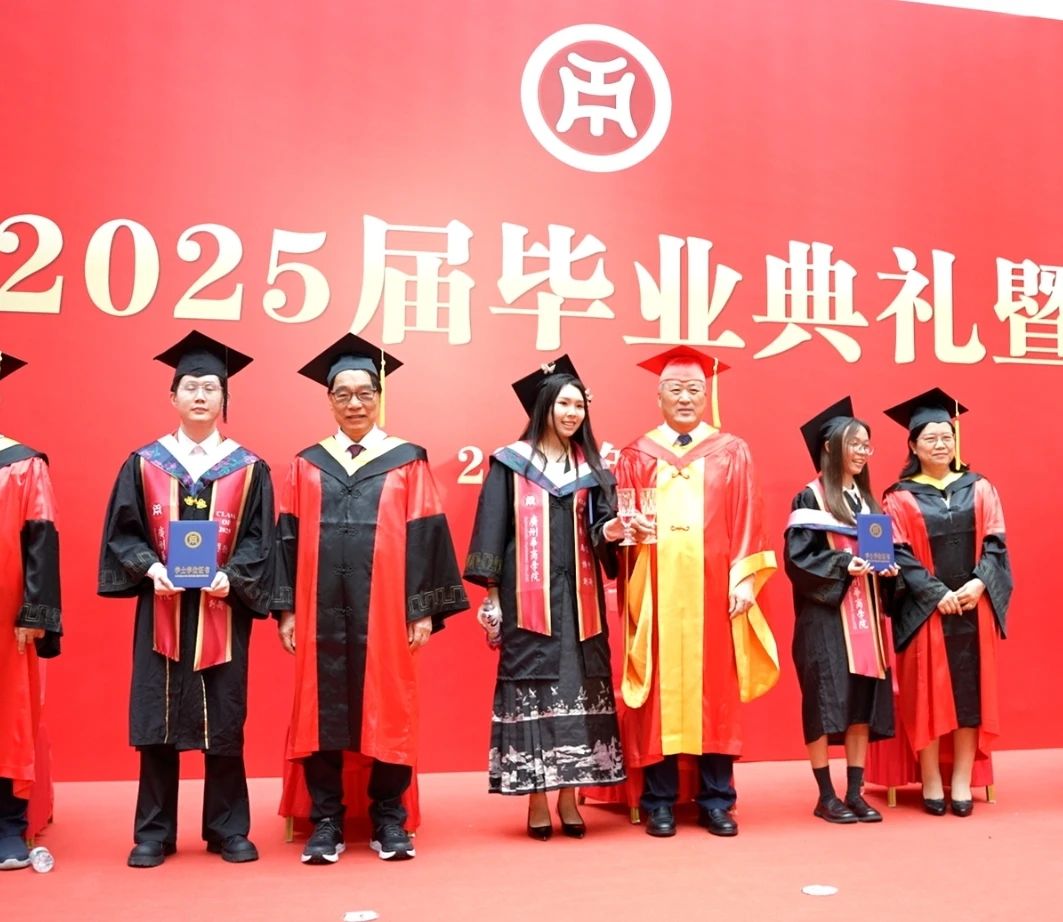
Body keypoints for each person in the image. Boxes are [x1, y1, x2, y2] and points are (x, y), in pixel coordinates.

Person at [273, 333, 468, 865]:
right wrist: (286, 609)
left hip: (386, 612)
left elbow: (426, 534)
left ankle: (388, 817)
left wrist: (422, 608)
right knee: (319, 710)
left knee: (392, 706)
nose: (354, 403)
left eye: (365, 393)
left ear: (379, 397)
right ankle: (327, 819)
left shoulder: (407, 460)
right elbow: (286, 538)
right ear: (329, 400)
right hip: (318, 615)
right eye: (343, 394)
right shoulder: (307, 464)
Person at [98, 331, 275, 867]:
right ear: (172, 396)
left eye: (210, 387)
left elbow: (261, 541)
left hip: (223, 608)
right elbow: (123, 532)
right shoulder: (145, 463)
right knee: (158, 715)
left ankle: (228, 828)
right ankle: (154, 831)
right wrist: (151, 568)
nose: (200, 395)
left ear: (225, 399)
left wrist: (232, 577)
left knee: (224, 717)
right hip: (163, 606)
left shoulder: (248, 468)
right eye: (191, 386)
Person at [616, 347, 777, 838]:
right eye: (675, 389)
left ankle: (717, 800)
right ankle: (660, 801)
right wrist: (630, 535)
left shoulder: (731, 450)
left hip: (715, 591)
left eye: (694, 390)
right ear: (658, 395)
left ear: (707, 396)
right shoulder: (638, 454)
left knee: (716, 693)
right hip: (657, 590)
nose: (685, 398)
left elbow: (749, 515)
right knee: (658, 692)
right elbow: (624, 524)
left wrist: (744, 577)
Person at [464, 357, 626, 840]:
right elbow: (492, 530)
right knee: (532, 689)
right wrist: (492, 595)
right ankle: (537, 799)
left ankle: (569, 798)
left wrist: (612, 531)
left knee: (579, 686)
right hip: (527, 602)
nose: (572, 413)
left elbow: (601, 530)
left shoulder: (592, 470)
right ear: (544, 408)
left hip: (579, 606)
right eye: (563, 404)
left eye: (579, 405)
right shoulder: (511, 463)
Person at [880, 387, 1011, 817]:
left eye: (946, 436)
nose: (940, 444)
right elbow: (898, 553)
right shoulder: (898, 496)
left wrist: (979, 584)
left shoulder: (981, 487)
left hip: (974, 606)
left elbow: (995, 543)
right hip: (926, 611)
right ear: (913, 445)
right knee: (927, 695)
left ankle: (961, 781)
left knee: (972, 694)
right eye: (930, 438)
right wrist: (936, 594)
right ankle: (932, 778)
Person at [784, 397, 896, 824]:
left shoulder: (867, 502)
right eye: (855, 444)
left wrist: (890, 572)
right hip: (825, 619)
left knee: (861, 701)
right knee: (822, 701)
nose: (863, 452)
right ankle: (825, 795)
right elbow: (798, 559)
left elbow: (884, 553)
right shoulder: (810, 497)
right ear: (830, 447)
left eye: (867, 445)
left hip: (866, 616)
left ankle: (854, 792)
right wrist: (842, 565)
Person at [0, 351, 62, 871]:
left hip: (4, 623)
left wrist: (34, 611)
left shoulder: (21, 464)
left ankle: (7, 823)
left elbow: (41, 539)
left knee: (8, 718)